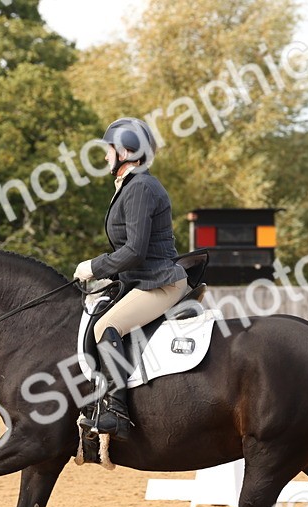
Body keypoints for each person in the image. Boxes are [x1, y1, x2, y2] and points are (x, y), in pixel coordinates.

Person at [74, 117, 187, 440]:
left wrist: (95, 267)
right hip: (141, 279)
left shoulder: (140, 188)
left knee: (105, 326)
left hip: (160, 281)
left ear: (126, 151)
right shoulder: (130, 185)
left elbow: (135, 250)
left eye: (109, 150)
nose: (106, 156)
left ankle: (116, 410)